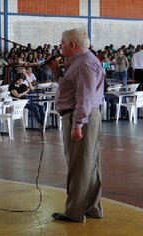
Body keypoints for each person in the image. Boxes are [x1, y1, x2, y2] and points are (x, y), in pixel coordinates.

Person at [48, 28, 104, 223]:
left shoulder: (84, 64)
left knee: (79, 164)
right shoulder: (80, 61)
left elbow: (85, 97)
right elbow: (69, 88)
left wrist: (78, 124)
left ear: (72, 44)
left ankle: (74, 212)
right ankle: (92, 207)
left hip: (80, 116)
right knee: (89, 163)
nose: (59, 45)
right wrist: (56, 70)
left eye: (62, 42)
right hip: (82, 114)